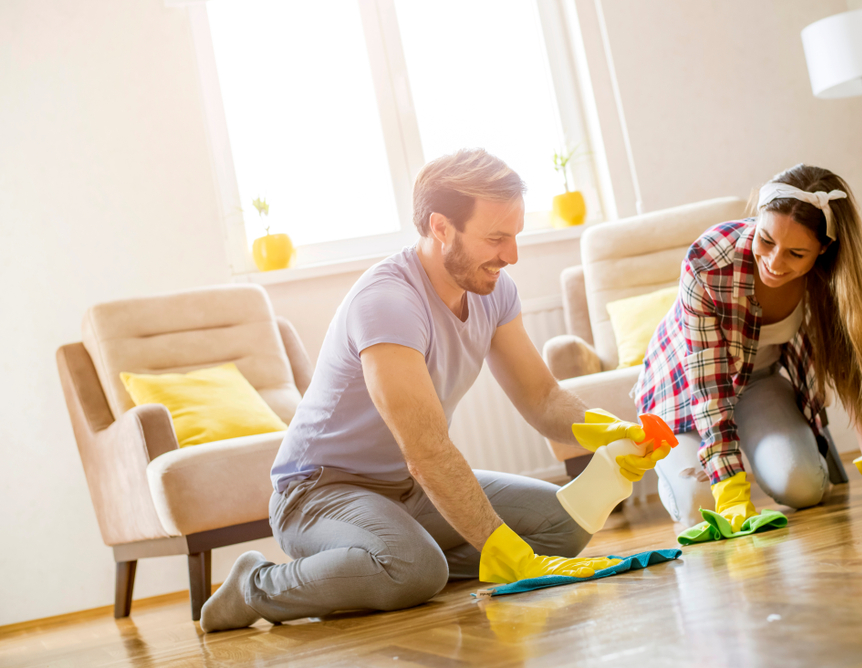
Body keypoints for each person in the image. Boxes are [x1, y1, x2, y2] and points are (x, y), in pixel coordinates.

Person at [199, 149, 661, 632]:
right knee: (414, 571)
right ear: (441, 227)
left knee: (561, 526)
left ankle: (376, 565)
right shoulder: (388, 302)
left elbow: (542, 397)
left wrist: (611, 432)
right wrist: (504, 550)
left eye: (516, 236)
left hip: (405, 488)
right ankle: (257, 585)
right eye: (496, 238)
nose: (511, 255)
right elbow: (426, 449)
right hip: (319, 492)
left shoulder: (494, 290)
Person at [634, 164, 862, 532]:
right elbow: (710, 389)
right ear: (758, 217)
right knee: (701, 506)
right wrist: (730, 491)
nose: (774, 263)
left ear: (823, 251)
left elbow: (852, 364)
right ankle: (675, 464)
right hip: (684, 389)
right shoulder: (708, 261)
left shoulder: (831, 280)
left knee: (804, 487)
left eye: (796, 254)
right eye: (766, 240)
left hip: (758, 382)